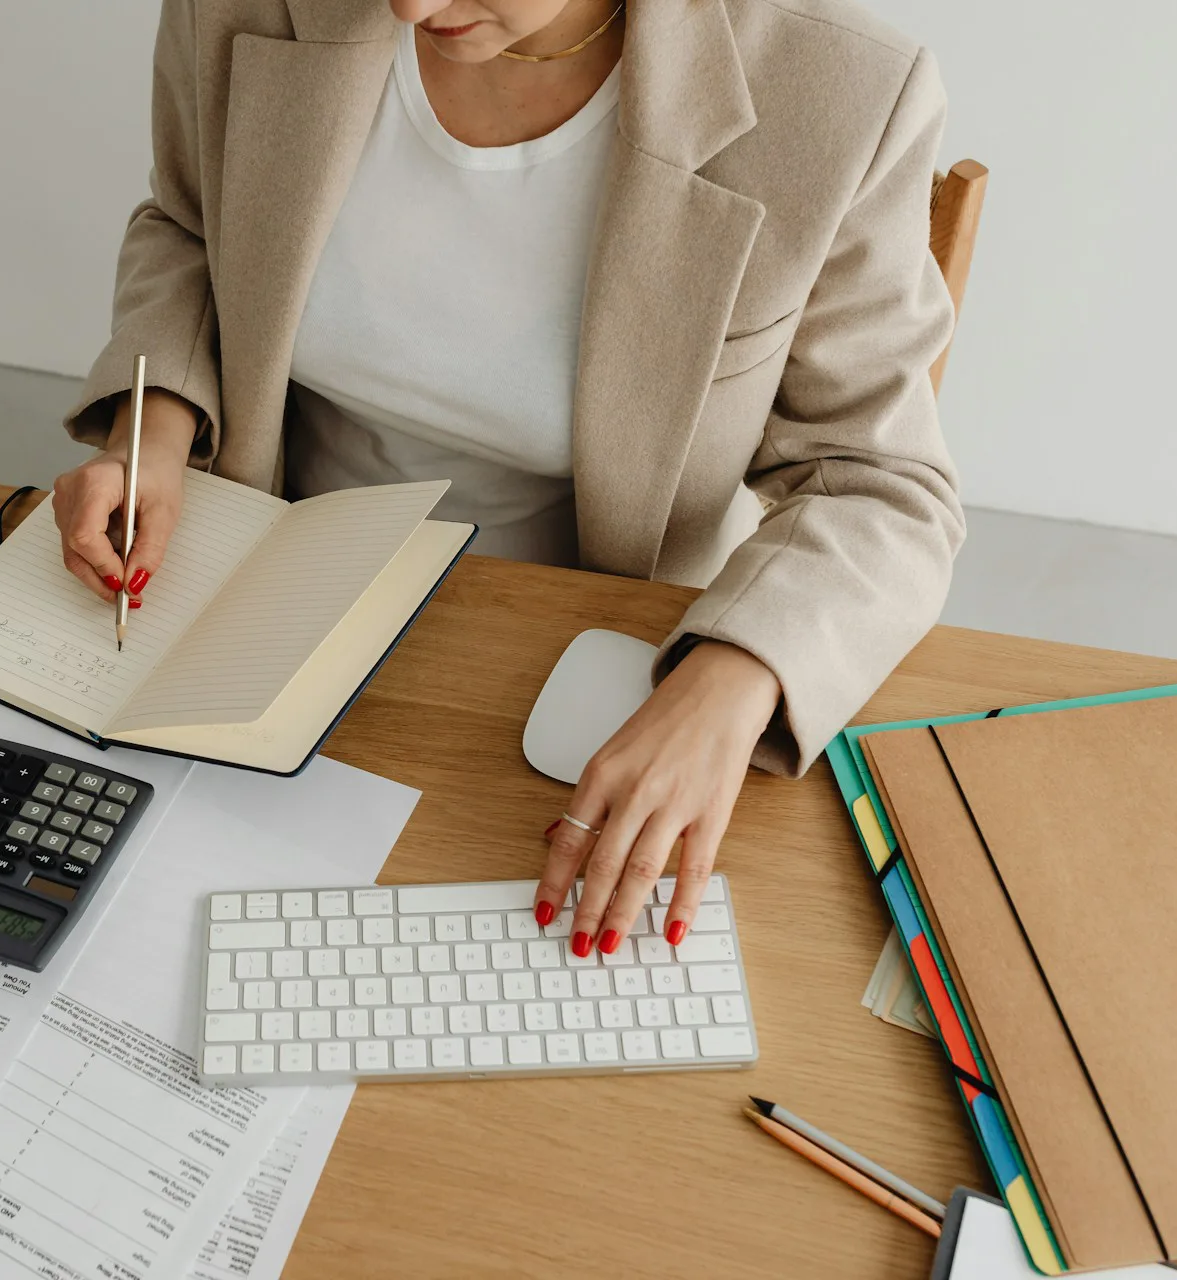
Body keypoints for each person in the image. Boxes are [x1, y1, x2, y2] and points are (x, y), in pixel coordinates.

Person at [50, 0, 963, 957]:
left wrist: (731, 682)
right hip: (266, 595)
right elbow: (189, 228)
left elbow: (880, 482)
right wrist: (152, 429)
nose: (409, 6)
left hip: (584, 651)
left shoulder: (841, 94)